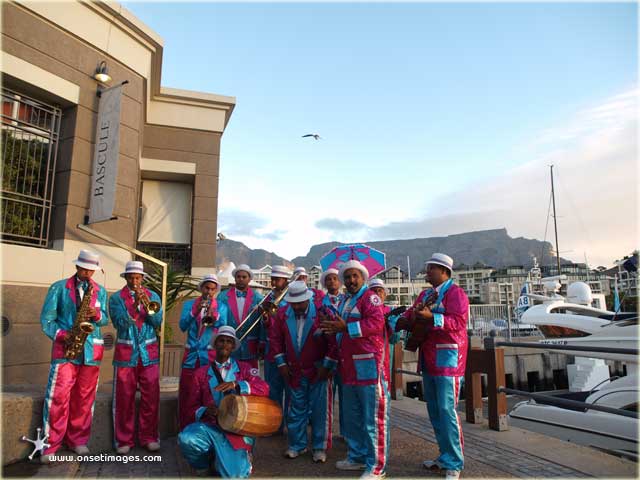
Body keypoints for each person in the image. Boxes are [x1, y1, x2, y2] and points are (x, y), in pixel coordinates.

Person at [395, 253, 469, 480]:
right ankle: (445, 456)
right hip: (428, 360)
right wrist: (401, 319)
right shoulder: (425, 294)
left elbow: (459, 322)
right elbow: (411, 314)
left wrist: (432, 318)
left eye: (430, 269)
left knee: (448, 411)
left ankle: (455, 462)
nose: (426, 273)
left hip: (449, 361)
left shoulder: (457, 294)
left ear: (444, 271)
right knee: (435, 411)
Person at [319, 260, 388, 480]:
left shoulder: (371, 298)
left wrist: (345, 327)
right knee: (353, 417)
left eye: (354, 276)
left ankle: (376, 466)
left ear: (363, 277)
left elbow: (376, 324)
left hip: (368, 366)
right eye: (347, 277)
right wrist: (329, 328)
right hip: (348, 366)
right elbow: (339, 330)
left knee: (372, 419)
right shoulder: (346, 300)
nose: (350, 280)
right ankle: (357, 456)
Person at [39, 249, 109, 463]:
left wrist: (96, 314)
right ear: (77, 267)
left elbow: (104, 318)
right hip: (66, 350)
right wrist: (63, 335)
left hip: (90, 352)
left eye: (92, 270)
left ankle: (77, 440)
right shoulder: (58, 288)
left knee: (85, 399)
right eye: (85, 269)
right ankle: (50, 446)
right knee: (57, 397)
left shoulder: (100, 290)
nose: (88, 273)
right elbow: (46, 320)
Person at [178, 326, 269, 477]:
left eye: (229, 341)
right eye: (221, 341)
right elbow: (190, 407)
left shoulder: (245, 369)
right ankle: (204, 465)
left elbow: (264, 388)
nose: (225, 344)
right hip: (211, 427)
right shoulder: (200, 374)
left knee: (236, 476)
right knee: (187, 439)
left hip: (237, 430)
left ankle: (239, 457)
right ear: (215, 344)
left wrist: (237, 384)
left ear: (233, 346)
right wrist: (205, 410)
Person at [269, 281, 337, 463]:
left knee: (320, 410)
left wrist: (327, 366)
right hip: (294, 370)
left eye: (300, 302)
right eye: (294, 303)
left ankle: (319, 447)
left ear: (307, 299)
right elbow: (275, 340)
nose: (297, 306)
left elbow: (333, 342)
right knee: (295, 409)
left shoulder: (323, 313)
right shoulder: (282, 314)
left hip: (318, 370)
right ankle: (296, 445)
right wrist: (281, 364)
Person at [109, 261, 164, 453]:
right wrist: (134, 305)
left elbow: (158, 321)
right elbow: (118, 323)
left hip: (149, 354)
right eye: (131, 277)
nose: (134, 281)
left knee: (151, 398)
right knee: (124, 399)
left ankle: (149, 437)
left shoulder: (153, 296)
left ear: (142, 279)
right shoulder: (116, 298)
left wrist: (146, 305)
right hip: (126, 355)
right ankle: (123, 441)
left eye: (138, 277)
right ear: (126, 278)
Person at [178, 273, 228, 431]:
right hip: (191, 355)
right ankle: (185, 428)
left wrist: (215, 316)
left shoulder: (221, 307)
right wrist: (195, 312)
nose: (209, 292)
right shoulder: (189, 304)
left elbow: (223, 328)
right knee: (187, 393)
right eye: (207, 288)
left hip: (209, 356)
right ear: (201, 288)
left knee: (208, 394)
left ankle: (206, 430)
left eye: (213, 289)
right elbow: (182, 326)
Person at [259, 265, 292, 430]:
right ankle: (275, 425)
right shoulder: (268, 298)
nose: (273, 282)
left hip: (288, 350)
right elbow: (265, 325)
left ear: (285, 281)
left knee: (291, 391)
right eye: (272, 279)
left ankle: (291, 426)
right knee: (273, 390)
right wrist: (264, 319)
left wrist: (276, 315)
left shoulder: (292, 297)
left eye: (277, 280)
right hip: (271, 349)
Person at [218, 264, 264, 368]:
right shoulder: (222, 296)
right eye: (238, 277)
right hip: (229, 346)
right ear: (235, 278)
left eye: (244, 277)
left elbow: (262, 324)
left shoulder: (258, 298)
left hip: (250, 348)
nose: (241, 279)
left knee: (250, 380)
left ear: (249, 279)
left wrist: (262, 342)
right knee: (228, 379)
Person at [319, 268, 345, 437]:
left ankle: (346, 432)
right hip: (327, 353)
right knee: (327, 397)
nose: (332, 282)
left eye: (335, 278)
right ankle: (325, 433)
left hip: (345, 353)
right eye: (328, 279)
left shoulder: (348, 300)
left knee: (346, 396)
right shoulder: (320, 303)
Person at [368, 278, 405, 386]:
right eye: (374, 291)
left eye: (380, 290)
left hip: (385, 354)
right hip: (367, 355)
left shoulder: (390, 311)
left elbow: (395, 339)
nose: (377, 293)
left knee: (383, 387)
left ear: (385, 294)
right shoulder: (364, 310)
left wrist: (389, 324)